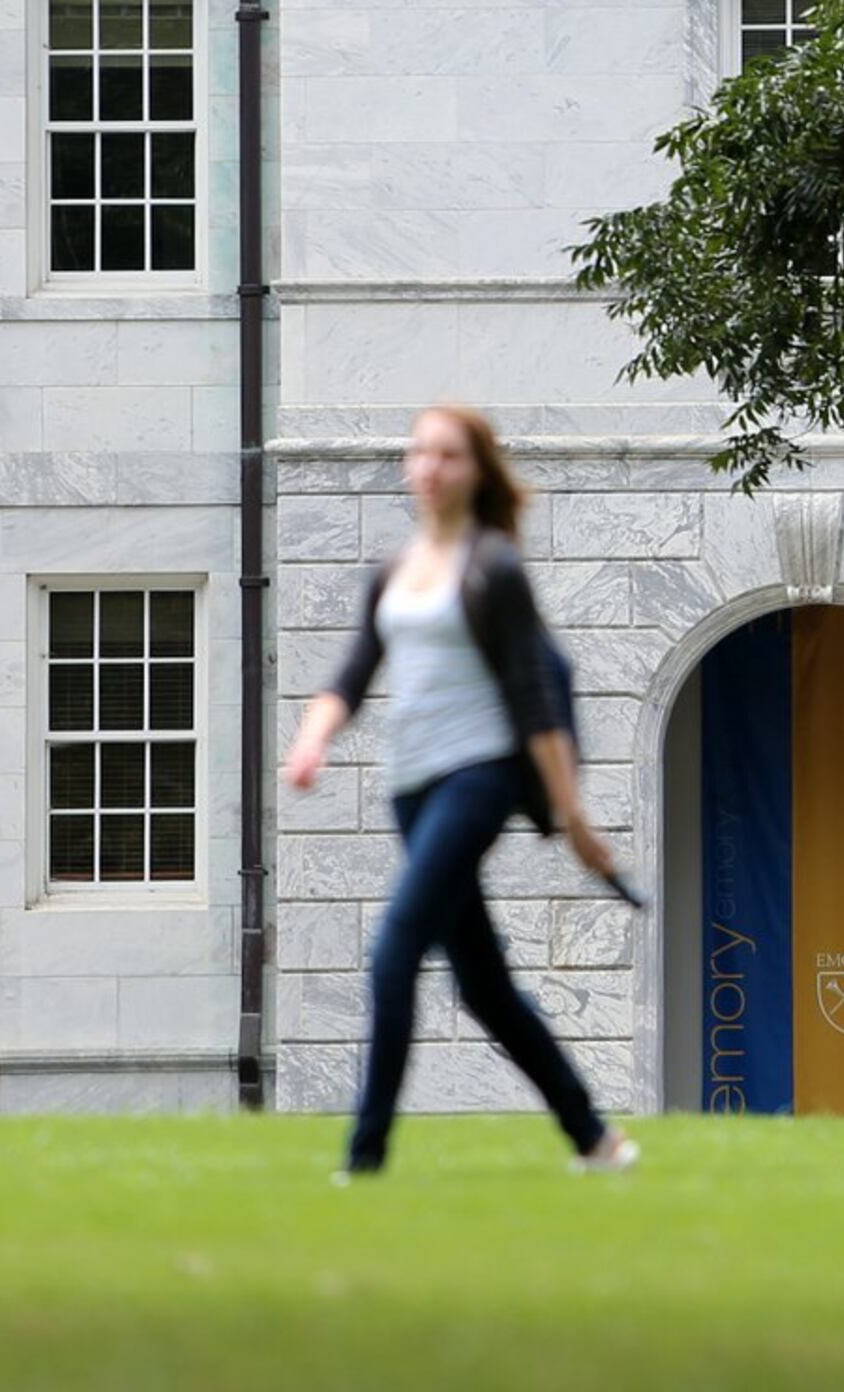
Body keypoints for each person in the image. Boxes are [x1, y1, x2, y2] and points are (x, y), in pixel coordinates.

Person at [281, 403, 639, 1178]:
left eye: (449, 454)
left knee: (394, 953)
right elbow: (352, 675)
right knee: (484, 986)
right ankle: (596, 1140)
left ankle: (364, 1160)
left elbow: (536, 704)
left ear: (476, 471)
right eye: (421, 452)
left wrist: (572, 815)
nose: (431, 467)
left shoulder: (494, 569)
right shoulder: (394, 570)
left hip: (480, 776)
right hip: (410, 787)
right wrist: (312, 740)